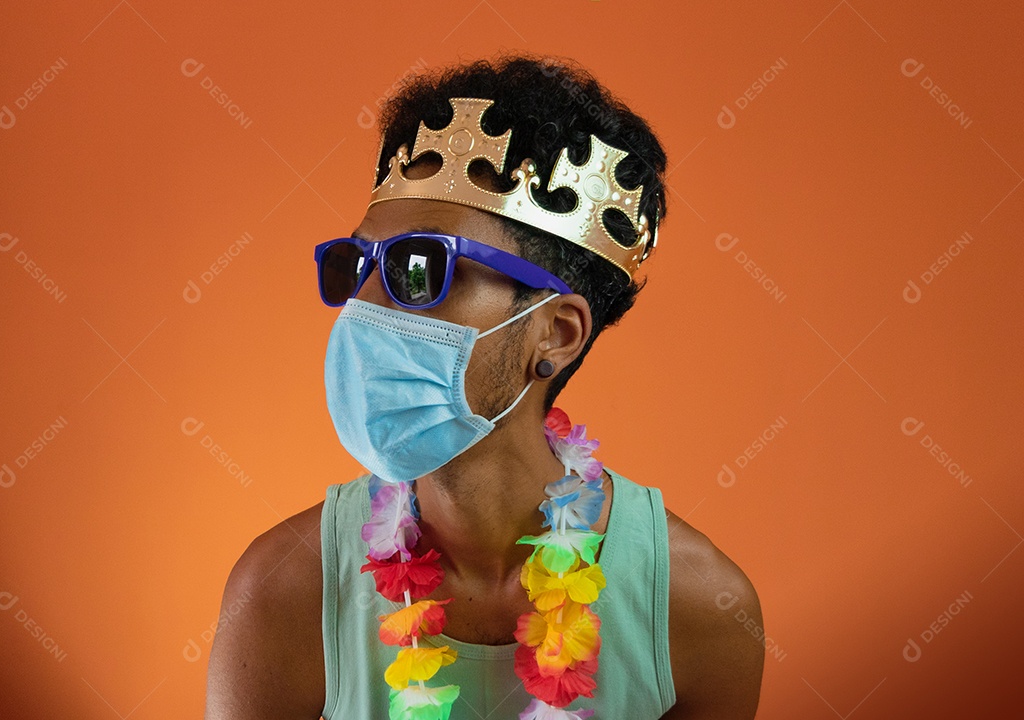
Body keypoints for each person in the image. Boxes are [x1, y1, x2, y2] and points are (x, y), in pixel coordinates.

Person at [205, 53, 764, 719]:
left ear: (554, 333)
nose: (367, 306)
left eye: (421, 267)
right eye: (358, 264)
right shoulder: (283, 595)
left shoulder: (698, 609)